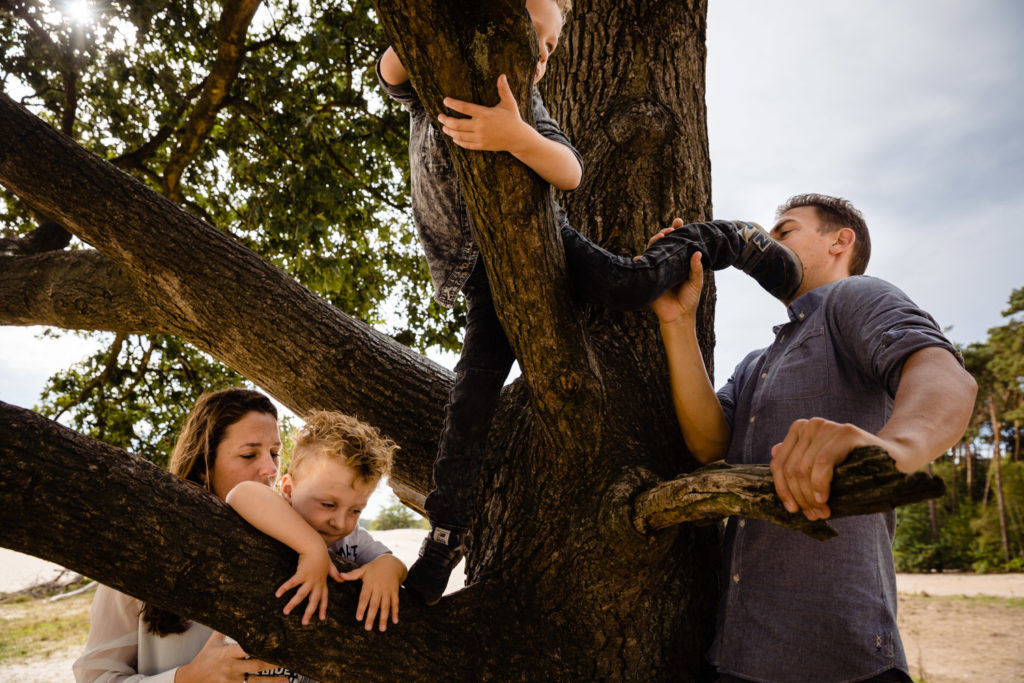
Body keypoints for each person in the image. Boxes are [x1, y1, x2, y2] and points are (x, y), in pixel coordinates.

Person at [378, 0, 805, 605]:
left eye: (552, 48)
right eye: (538, 38)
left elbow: (570, 170)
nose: (544, 56)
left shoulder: (527, 107)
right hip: (480, 273)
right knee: (470, 399)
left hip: (547, 244)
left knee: (630, 284)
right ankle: (447, 532)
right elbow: (393, 66)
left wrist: (515, 134)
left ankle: (723, 239)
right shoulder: (434, 81)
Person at [653, 193, 977, 682]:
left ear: (839, 242)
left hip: (842, 658)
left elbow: (943, 374)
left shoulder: (857, 296)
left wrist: (894, 449)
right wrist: (677, 322)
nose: (766, 243)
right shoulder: (755, 362)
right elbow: (708, 444)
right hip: (737, 655)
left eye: (783, 232)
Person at [73, 387, 288, 683]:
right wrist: (187, 678)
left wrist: (378, 561)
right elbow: (94, 678)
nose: (270, 469)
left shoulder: (295, 544)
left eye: (275, 453)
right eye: (249, 454)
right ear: (203, 466)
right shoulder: (141, 548)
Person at [225, 410, 406, 636]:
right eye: (328, 505)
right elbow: (241, 493)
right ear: (289, 490)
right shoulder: (275, 511)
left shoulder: (353, 538)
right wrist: (313, 548)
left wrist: (387, 568)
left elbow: (392, 562)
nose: (340, 523)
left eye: (355, 510)